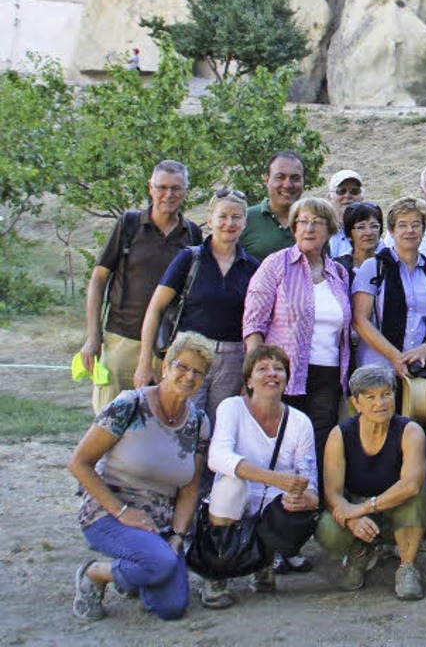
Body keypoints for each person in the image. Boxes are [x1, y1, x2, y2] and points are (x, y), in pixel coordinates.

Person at [69, 332, 214, 622]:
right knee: (159, 564)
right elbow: (79, 464)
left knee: (171, 608)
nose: (189, 376)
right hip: (109, 512)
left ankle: (140, 570)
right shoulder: (129, 406)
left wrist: (177, 535)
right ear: (165, 367)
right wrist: (122, 512)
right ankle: (95, 573)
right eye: (182, 367)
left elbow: (189, 488)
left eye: (198, 372)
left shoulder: (198, 422)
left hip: (159, 524)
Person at [199, 345, 320, 608]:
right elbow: (217, 457)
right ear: (249, 381)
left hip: (274, 502)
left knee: (297, 508)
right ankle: (215, 572)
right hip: (236, 498)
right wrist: (275, 478)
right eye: (262, 368)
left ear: (287, 379)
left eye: (279, 369)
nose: (272, 374)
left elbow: (310, 481)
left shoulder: (300, 422)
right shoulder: (232, 408)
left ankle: (262, 562)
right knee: (230, 484)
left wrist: (307, 499)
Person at [80, 160, 202, 414]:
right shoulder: (128, 225)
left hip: (166, 348)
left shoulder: (191, 235)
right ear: (150, 188)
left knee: (159, 422)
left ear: (186, 190)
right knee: (110, 420)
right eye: (162, 187)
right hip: (121, 340)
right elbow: (98, 280)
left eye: (176, 188)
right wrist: (93, 336)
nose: (169, 195)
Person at [242, 197, 352, 465]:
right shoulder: (275, 264)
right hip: (284, 371)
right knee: (281, 438)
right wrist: (257, 372)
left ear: (330, 231)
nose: (309, 228)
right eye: (302, 221)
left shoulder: (338, 273)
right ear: (293, 228)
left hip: (328, 373)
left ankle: (312, 500)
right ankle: (276, 500)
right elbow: (254, 323)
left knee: (318, 440)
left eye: (317, 222)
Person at [134, 189, 258, 423]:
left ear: (245, 222)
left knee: (218, 429)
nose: (229, 223)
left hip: (231, 362)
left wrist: (248, 374)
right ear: (210, 220)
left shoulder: (252, 268)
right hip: (188, 356)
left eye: (236, 217)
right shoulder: (189, 259)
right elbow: (155, 308)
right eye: (222, 216)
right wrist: (144, 363)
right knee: (179, 421)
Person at [316, 365, 426, 599]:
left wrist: (364, 508)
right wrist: (353, 519)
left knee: (416, 497)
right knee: (326, 527)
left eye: (386, 394)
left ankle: (407, 566)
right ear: (356, 403)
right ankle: (360, 551)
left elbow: (410, 484)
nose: (381, 403)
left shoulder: (410, 431)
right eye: (370, 397)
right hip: (358, 509)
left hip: (394, 509)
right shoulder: (340, 434)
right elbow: (332, 493)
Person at [352, 197, 426, 382]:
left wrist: (425, 350)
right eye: (402, 225)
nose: (410, 231)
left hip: (420, 372)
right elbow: (359, 320)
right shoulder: (374, 267)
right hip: (377, 371)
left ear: (424, 229)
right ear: (391, 230)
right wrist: (395, 357)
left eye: (416, 224)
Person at [239, 150, 304, 261]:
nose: (287, 185)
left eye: (295, 178)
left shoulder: (314, 221)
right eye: (280, 177)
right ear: (266, 179)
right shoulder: (244, 219)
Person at [335, 201, 383, 280]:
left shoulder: (389, 264)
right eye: (361, 227)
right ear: (349, 234)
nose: (369, 232)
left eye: (374, 226)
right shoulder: (338, 267)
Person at [326, 169, 365, 258]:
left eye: (354, 191)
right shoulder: (322, 233)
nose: (347, 196)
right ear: (329, 198)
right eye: (341, 191)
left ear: (362, 197)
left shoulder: (371, 232)